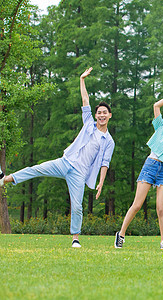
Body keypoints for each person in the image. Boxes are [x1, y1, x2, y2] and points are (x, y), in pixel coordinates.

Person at [0, 67, 115, 248]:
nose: (101, 115)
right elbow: (85, 99)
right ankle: (5, 179)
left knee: (77, 206)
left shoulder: (108, 140)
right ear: (95, 115)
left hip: (79, 173)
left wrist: (101, 182)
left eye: (104, 113)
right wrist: (82, 79)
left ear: (109, 116)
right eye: (99, 112)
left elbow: (104, 163)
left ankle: (75, 239)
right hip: (65, 162)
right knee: (36, 169)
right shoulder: (88, 124)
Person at [114, 93, 163, 250]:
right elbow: (156, 106)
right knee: (137, 205)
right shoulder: (160, 128)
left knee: (161, 208)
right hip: (150, 165)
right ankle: (121, 234)